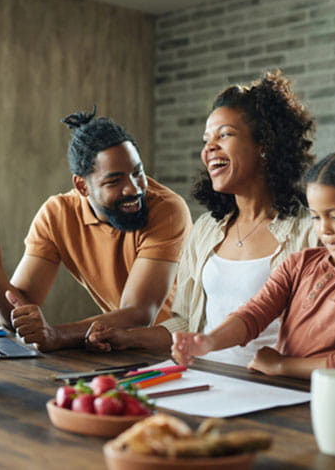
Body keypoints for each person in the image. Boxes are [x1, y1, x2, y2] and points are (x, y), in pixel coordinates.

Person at [86, 71, 319, 365]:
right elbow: (186, 324)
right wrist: (128, 337)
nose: (209, 149)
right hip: (208, 382)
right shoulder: (207, 230)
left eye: (225, 135)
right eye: (207, 140)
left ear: (265, 145)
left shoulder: (312, 231)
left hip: (278, 393)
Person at [0, 108, 192, 351]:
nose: (133, 189)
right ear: (82, 186)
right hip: (119, 347)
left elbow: (140, 313)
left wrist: (56, 335)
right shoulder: (57, 214)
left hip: (179, 346)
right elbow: (19, 315)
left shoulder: (167, 209)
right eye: (114, 180)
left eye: (137, 172)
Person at [172, 148, 335, 378]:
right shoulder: (300, 262)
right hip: (285, 394)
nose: (325, 230)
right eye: (316, 217)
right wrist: (209, 341)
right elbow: (254, 313)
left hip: (334, 402)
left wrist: (282, 366)